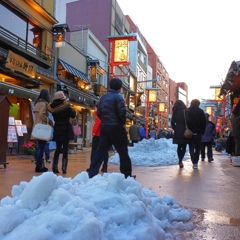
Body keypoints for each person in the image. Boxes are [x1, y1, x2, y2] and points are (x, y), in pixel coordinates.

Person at [88, 78, 135, 179]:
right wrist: (122, 123)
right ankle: (127, 174)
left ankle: (92, 173)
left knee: (100, 150)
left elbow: (99, 112)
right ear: (119, 88)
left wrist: (105, 120)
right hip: (116, 127)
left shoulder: (103, 98)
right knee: (122, 151)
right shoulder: (118, 98)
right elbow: (122, 113)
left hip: (104, 127)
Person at [48, 91, 76, 174]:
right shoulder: (66, 107)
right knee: (65, 148)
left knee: (58, 148)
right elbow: (73, 115)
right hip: (66, 128)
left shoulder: (53, 107)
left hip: (57, 128)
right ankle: (64, 168)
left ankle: (54, 167)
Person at [31, 89, 53, 173]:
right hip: (42, 127)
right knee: (41, 147)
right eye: (49, 95)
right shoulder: (44, 104)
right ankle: (39, 166)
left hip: (37, 127)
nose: (50, 97)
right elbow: (42, 115)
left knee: (39, 147)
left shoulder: (37, 103)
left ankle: (39, 164)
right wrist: (49, 121)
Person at [87, 105, 109, 173]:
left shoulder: (99, 114)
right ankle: (105, 167)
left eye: (95, 108)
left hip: (98, 135)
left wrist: (94, 132)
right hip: (105, 135)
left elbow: (98, 123)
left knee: (94, 151)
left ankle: (92, 166)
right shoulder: (107, 114)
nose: (94, 109)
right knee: (105, 151)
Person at [171, 100, 190, 168]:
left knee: (179, 146)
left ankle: (180, 160)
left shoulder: (175, 112)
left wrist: (175, 128)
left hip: (177, 129)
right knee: (184, 146)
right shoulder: (185, 111)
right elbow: (188, 120)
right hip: (184, 129)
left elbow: (172, 122)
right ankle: (180, 160)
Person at [188, 99, 206, 169]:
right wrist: (202, 131)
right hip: (198, 133)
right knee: (198, 148)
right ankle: (196, 162)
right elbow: (203, 123)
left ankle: (193, 161)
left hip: (190, 133)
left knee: (191, 147)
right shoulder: (200, 111)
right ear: (197, 104)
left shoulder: (188, 111)